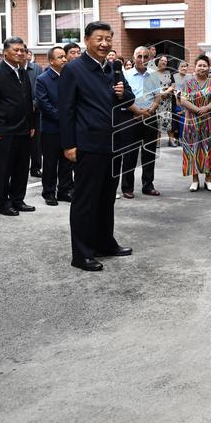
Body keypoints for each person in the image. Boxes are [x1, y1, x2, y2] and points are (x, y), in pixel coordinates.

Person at [59, 21, 135, 271]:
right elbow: (66, 110)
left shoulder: (114, 68)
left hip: (112, 143)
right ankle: (81, 254)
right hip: (87, 144)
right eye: (99, 38)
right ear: (86, 39)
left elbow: (130, 99)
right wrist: (68, 144)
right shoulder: (74, 69)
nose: (104, 43)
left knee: (106, 199)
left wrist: (123, 92)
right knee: (85, 200)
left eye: (108, 39)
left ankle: (105, 243)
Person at [0, 37, 36, 217]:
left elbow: (27, 100)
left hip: (23, 129)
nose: (20, 53)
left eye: (22, 50)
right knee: (2, 169)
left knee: (21, 168)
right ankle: (2, 202)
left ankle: (17, 199)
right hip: (3, 131)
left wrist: (31, 124)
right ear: (5, 52)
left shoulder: (23, 72)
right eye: (16, 50)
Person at [121, 46, 163, 199]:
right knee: (130, 154)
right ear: (133, 58)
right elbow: (122, 98)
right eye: (139, 56)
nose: (142, 60)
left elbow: (158, 97)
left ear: (150, 59)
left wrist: (150, 110)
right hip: (131, 117)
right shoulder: (125, 75)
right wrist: (138, 112)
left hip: (150, 117)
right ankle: (127, 187)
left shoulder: (154, 75)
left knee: (149, 153)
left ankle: (148, 185)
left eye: (146, 57)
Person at [34, 46, 73, 206]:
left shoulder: (70, 77)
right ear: (51, 61)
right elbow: (44, 104)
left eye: (65, 56)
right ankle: (49, 192)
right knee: (50, 163)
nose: (64, 59)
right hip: (51, 129)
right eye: (60, 57)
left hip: (68, 128)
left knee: (67, 162)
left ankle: (64, 191)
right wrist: (64, 118)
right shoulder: (42, 79)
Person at [180, 55, 211, 191]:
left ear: (208, 68)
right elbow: (183, 100)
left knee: (209, 148)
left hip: (209, 121)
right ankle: (195, 180)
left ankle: (208, 180)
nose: (202, 68)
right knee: (193, 148)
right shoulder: (188, 83)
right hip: (192, 120)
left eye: (204, 65)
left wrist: (206, 108)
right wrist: (197, 109)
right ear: (195, 67)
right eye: (200, 65)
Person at [24, 49, 44, 178]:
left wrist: (35, 103)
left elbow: (40, 87)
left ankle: (36, 167)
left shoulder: (36, 68)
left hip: (34, 111)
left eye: (24, 51)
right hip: (18, 113)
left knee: (36, 143)